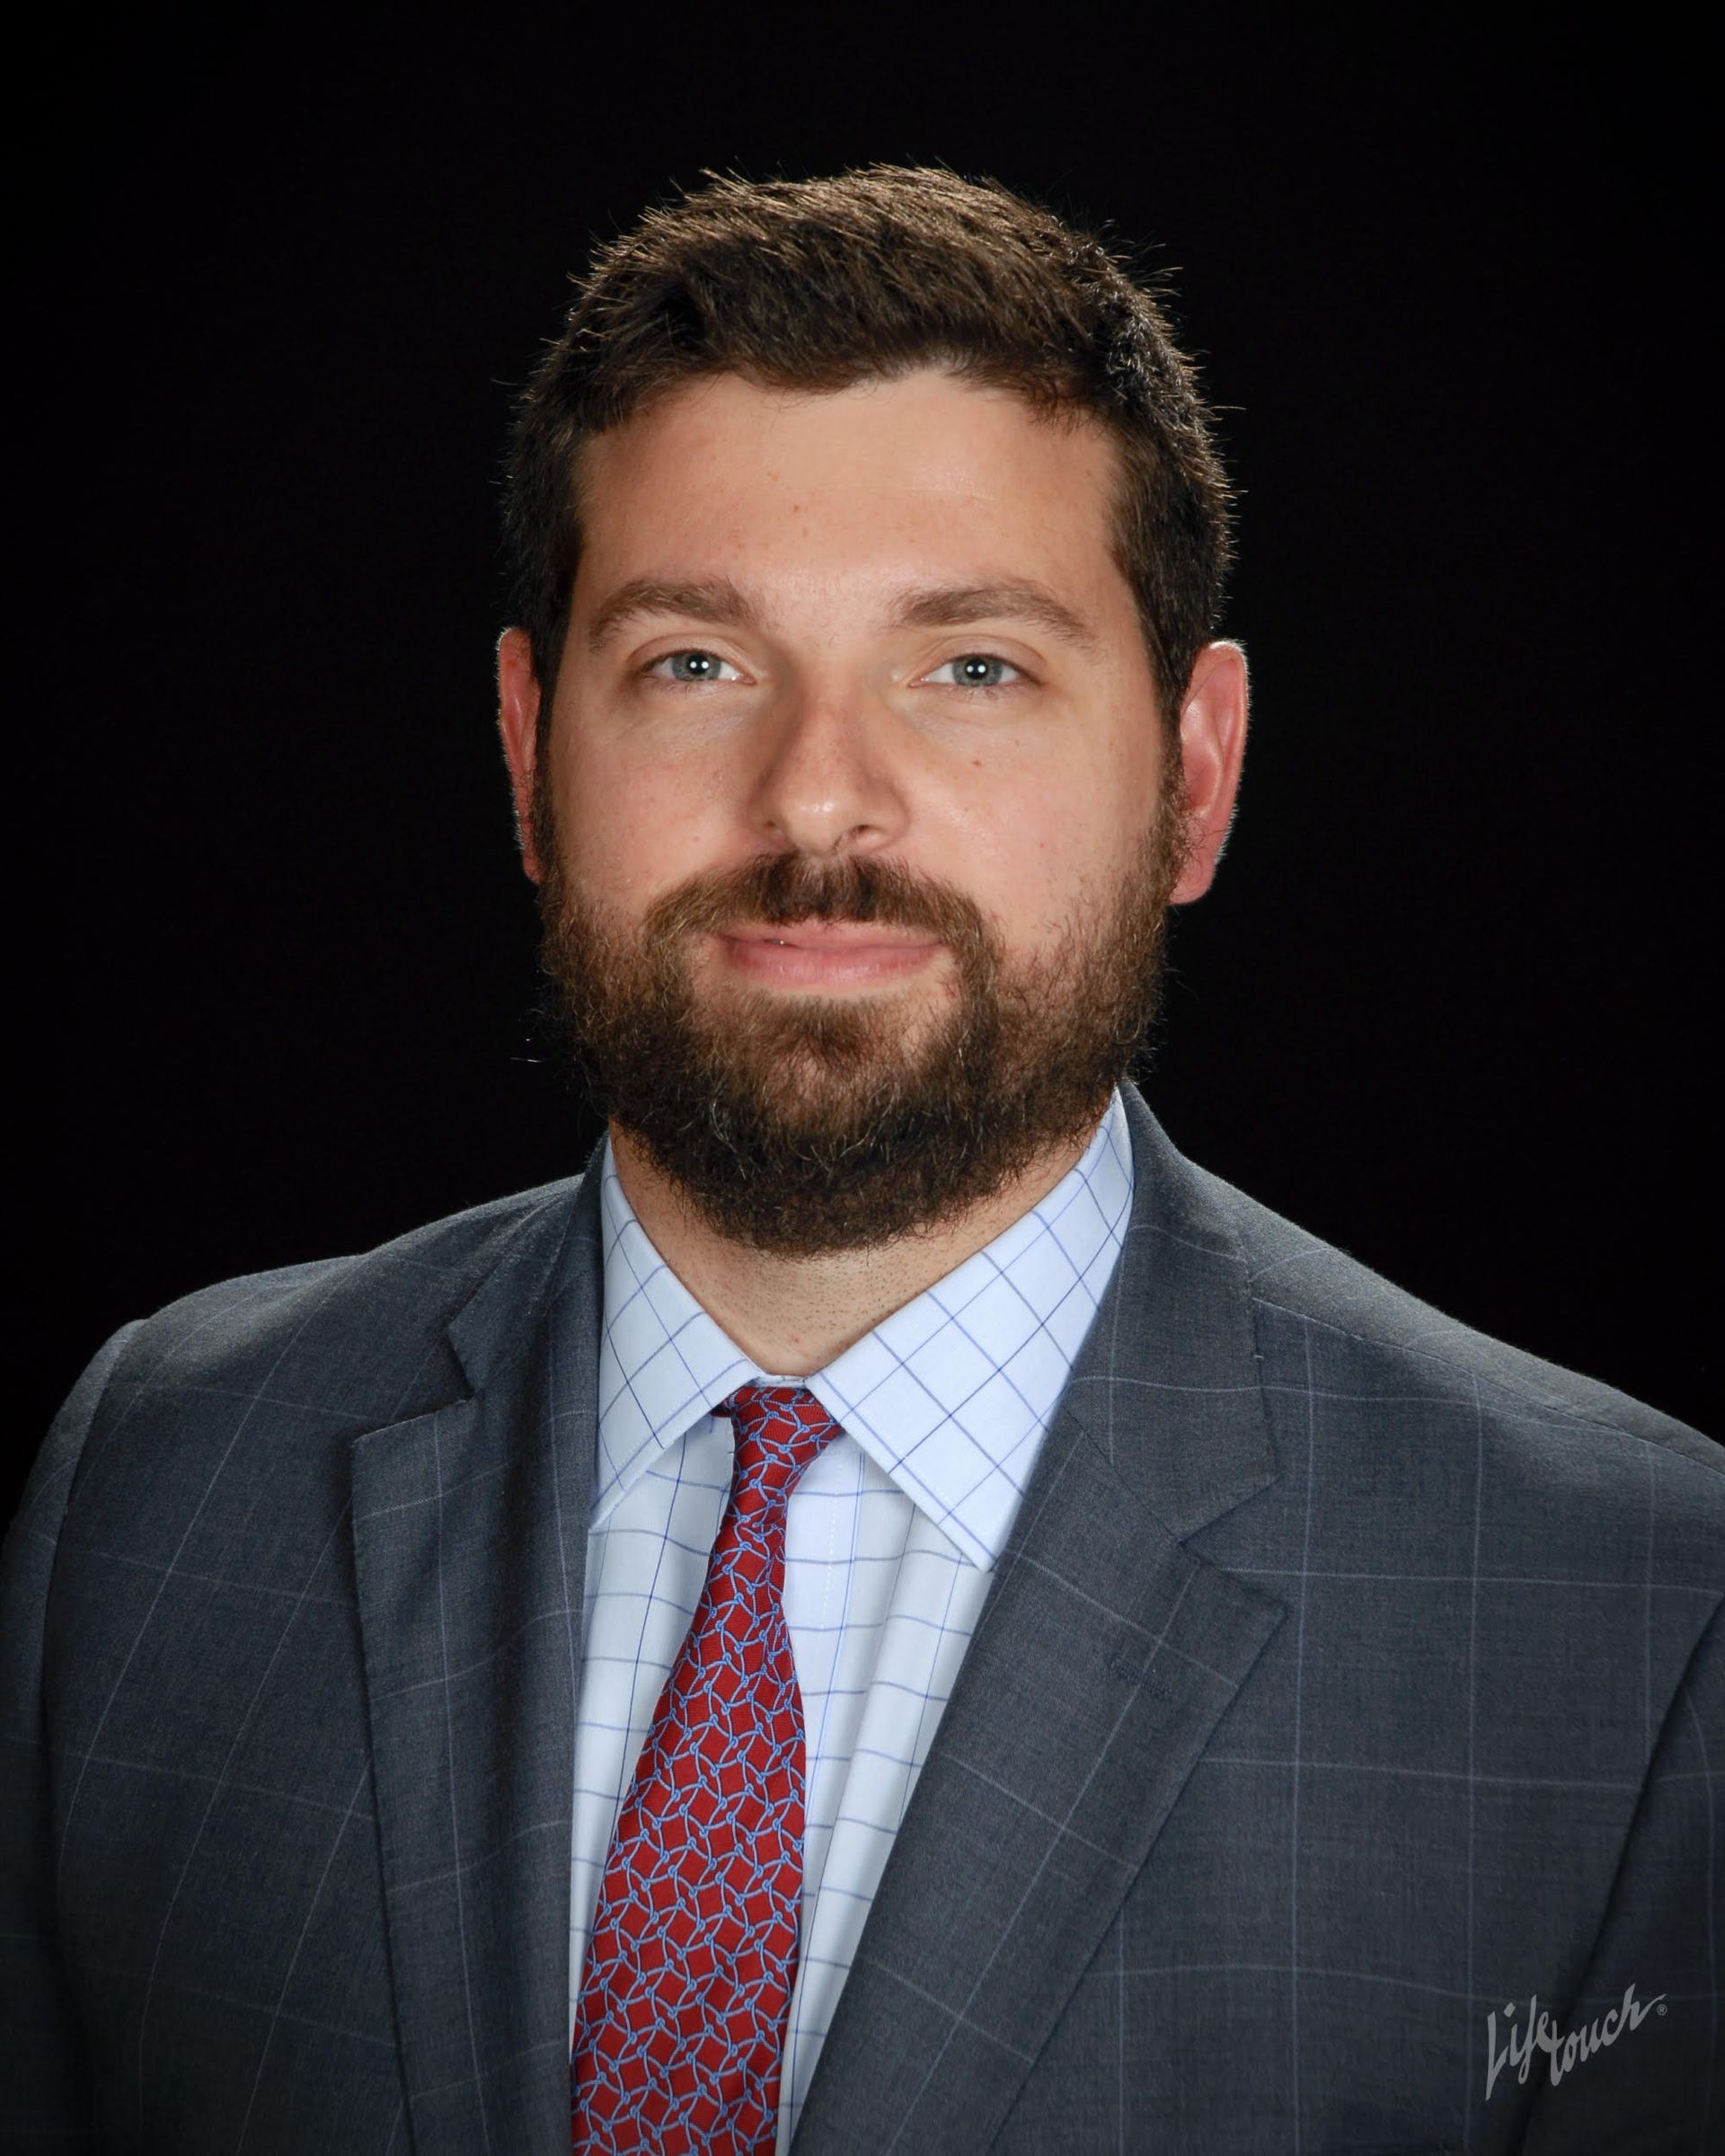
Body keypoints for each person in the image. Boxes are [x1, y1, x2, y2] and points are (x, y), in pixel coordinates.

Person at [3, 165, 1719, 2156]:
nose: (819, 794)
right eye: (696, 664)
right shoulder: (155, 1480)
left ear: (1194, 774)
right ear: (525, 748)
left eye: (973, 665)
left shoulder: (1639, 1623)